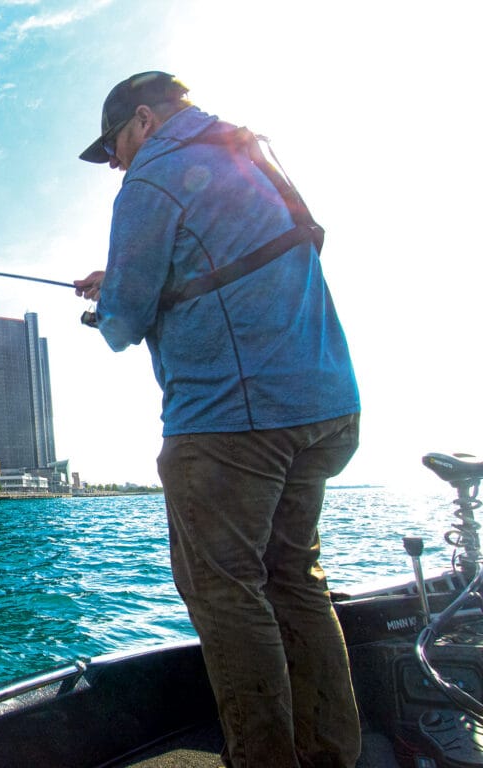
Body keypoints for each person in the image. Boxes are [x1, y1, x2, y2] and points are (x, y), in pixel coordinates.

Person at [73, 71, 362, 768]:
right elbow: (226, 262)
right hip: (325, 407)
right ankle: (332, 755)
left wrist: (107, 302)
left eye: (113, 147)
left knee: (225, 593)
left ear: (142, 121)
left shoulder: (153, 176)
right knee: (294, 577)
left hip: (233, 421)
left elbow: (124, 322)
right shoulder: (247, 154)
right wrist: (118, 281)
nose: (115, 164)